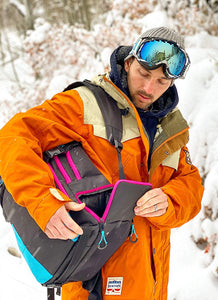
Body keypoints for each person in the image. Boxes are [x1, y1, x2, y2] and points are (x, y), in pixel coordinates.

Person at [0, 27, 204, 299]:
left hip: (151, 286)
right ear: (129, 62)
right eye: (143, 74)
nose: (148, 88)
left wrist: (170, 200)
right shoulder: (85, 104)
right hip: (92, 286)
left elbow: (191, 185)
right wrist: (43, 202)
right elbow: (13, 137)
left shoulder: (169, 128)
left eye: (161, 82)